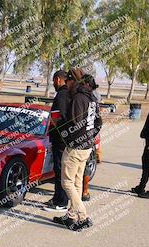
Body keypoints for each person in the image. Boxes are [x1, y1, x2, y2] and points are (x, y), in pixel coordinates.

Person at [53, 68, 102, 231]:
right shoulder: (92, 98)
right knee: (76, 181)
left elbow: (74, 123)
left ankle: (83, 216)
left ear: (73, 81)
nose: (66, 84)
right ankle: (72, 216)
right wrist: (89, 137)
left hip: (75, 147)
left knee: (66, 182)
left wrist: (59, 125)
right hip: (87, 147)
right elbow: (98, 123)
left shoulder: (79, 98)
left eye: (67, 81)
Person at [44, 70, 70, 212]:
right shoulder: (67, 94)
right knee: (58, 169)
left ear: (58, 80)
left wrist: (53, 133)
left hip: (60, 140)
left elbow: (57, 120)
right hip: (63, 138)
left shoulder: (61, 95)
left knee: (60, 170)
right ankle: (56, 197)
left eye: (54, 80)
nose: (53, 83)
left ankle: (62, 202)